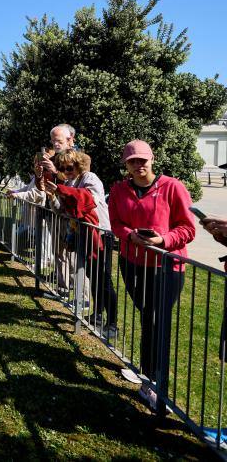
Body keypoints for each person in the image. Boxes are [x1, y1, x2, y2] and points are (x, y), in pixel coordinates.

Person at [108, 139, 196, 412]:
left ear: (153, 159)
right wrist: (131, 236)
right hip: (133, 262)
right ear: (126, 164)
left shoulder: (172, 187)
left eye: (143, 160)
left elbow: (188, 227)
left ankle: (157, 382)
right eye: (133, 161)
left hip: (167, 266)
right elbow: (116, 223)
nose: (138, 165)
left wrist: (164, 240)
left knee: (158, 320)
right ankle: (148, 378)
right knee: (148, 317)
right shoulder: (119, 190)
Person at [43, 149, 118, 339]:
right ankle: (98, 315)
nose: (65, 171)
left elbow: (88, 199)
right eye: (62, 168)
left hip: (100, 234)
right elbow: (62, 211)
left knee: (104, 278)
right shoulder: (69, 183)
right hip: (83, 234)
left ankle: (113, 323)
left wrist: (62, 190)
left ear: (78, 165)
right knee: (94, 277)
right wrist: (52, 196)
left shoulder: (90, 177)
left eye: (69, 167)